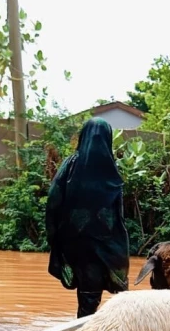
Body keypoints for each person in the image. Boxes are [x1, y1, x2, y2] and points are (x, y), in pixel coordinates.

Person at [45, 118, 130, 318]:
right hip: (107, 244)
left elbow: (53, 200)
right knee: (120, 297)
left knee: (87, 299)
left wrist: (54, 235)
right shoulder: (110, 167)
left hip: (77, 242)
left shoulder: (71, 164)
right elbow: (119, 212)